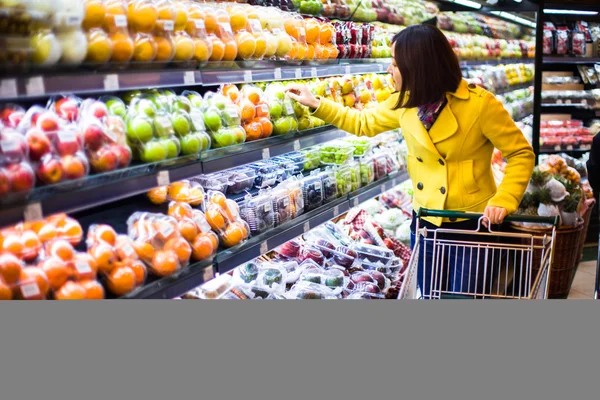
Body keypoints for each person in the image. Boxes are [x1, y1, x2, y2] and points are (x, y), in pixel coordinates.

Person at [286, 24, 535, 297]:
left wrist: (504, 199)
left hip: (471, 224)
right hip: (426, 220)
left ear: (419, 67)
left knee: (464, 298)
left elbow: (521, 153)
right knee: (429, 295)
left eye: (395, 64)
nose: (389, 71)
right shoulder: (406, 103)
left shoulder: (480, 105)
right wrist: (317, 104)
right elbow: (363, 122)